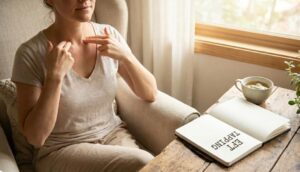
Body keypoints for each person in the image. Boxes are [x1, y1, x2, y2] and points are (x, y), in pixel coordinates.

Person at [11, 0, 157, 171]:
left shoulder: (109, 35)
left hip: (112, 135)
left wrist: (127, 57)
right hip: (61, 150)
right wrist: (54, 77)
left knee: (153, 166)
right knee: (143, 161)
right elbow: (36, 137)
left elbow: (150, 93)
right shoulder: (30, 54)